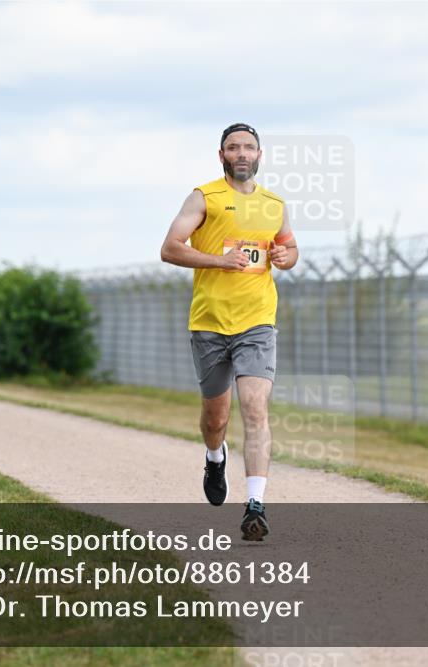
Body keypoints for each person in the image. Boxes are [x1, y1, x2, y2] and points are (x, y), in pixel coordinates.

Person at [160, 123, 299, 541]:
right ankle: (214, 456)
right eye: (233, 147)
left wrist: (284, 255)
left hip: (257, 321)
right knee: (215, 417)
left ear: (259, 156)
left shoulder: (275, 203)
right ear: (221, 155)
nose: (242, 153)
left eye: (249, 147)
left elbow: (290, 250)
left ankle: (255, 504)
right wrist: (220, 262)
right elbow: (170, 248)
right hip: (210, 323)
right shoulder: (204, 197)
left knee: (255, 409)